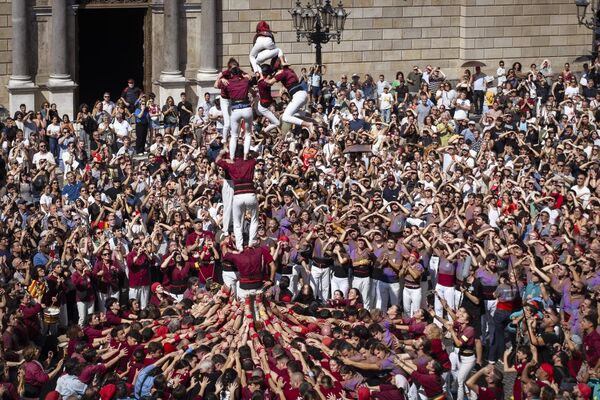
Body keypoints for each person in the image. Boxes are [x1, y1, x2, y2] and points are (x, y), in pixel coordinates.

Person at [216, 148, 259, 251]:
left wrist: (221, 153)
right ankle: (251, 242)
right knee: (254, 219)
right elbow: (257, 155)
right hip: (250, 194)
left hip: (238, 195)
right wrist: (248, 152)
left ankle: (239, 247)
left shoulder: (232, 165)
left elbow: (217, 160)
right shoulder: (250, 162)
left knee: (237, 223)